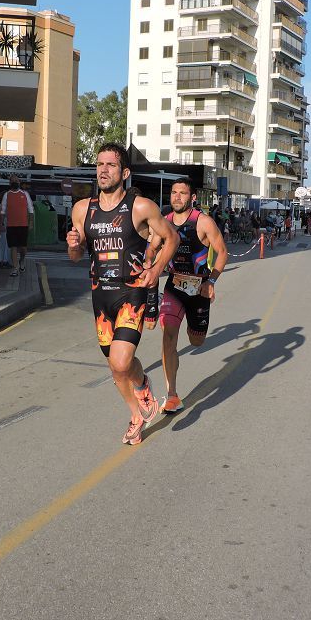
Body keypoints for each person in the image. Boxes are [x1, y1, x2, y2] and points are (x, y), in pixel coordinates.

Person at [67, 144, 179, 445]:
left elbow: (172, 238)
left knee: (120, 361)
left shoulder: (140, 206)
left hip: (131, 293)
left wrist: (155, 272)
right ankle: (136, 412)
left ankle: (141, 384)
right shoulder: (82, 209)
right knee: (116, 366)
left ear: (124, 172)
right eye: (100, 164)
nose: (103, 170)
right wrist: (73, 244)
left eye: (111, 165)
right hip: (100, 297)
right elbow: (76, 256)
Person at [149, 179, 229, 414]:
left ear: (192, 197)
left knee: (196, 341)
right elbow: (152, 247)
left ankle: (193, 327)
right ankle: (172, 394)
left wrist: (211, 281)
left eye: (182, 193)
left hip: (199, 289)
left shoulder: (203, 222)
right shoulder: (164, 222)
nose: (177, 197)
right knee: (168, 336)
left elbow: (222, 252)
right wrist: (149, 260)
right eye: (174, 193)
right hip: (174, 285)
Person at [0, 175, 33, 277]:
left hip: (23, 225)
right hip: (11, 225)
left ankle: (22, 260)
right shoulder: (7, 195)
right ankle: (15, 268)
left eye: (16, 181)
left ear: (19, 182)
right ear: (10, 183)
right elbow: (3, 211)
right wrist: (1, 223)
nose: (15, 182)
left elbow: (31, 210)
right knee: (13, 247)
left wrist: (31, 222)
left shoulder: (25, 194)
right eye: (12, 181)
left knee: (23, 248)